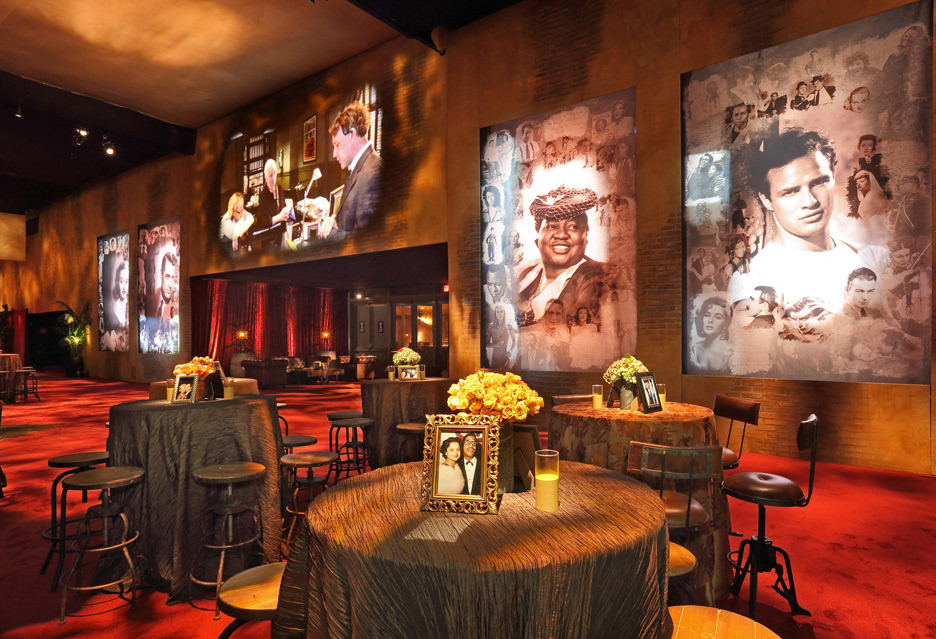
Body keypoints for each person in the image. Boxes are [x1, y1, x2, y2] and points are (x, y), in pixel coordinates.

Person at [514, 186, 605, 328]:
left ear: (585, 236)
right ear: (538, 238)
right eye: (552, 226)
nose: (561, 235)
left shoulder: (600, 279)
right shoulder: (525, 274)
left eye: (573, 227)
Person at [322, 102, 382, 238]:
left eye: (337, 145)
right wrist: (334, 221)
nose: (334, 154)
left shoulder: (374, 173)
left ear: (352, 134)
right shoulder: (360, 166)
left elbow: (366, 241)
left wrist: (331, 234)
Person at [518, 298, 570, 370]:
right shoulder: (530, 331)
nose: (554, 318)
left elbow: (565, 367)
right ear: (545, 315)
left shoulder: (564, 339)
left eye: (558, 314)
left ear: (561, 316)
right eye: (550, 313)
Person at [252, 159, 291, 249]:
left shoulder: (280, 189)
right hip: (269, 239)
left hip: (280, 234)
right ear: (265, 177)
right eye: (270, 176)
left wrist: (286, 212)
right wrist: (279, 217)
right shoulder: (263, 195)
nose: (273, 178)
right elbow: (262, 221)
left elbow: (283, 206)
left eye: (274, 174)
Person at [689, 296, 732, 372]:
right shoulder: (695, 349)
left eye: (717, 317)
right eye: (707, 315)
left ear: (726, 324)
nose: (710, 321)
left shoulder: (730, 353)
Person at [486, 303, 517, 369]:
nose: (499, 313)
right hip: (494, 359)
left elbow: (514, 341)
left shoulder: (509, 327)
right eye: (498, 312)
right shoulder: (491, 326)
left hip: (505, 359)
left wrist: (511, 351)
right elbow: (486, 344)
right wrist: (496, 345)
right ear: (495, 314)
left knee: (507, 376)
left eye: (501, 311)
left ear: (504, 313)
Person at [155, 251, 178, 320]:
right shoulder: (151, 296)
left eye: (172, 278)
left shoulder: (177, 305)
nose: (170, 285)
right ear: (161, 274)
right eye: (167, 277)